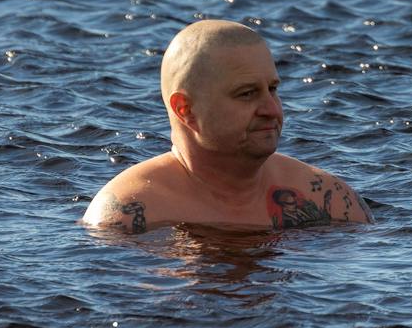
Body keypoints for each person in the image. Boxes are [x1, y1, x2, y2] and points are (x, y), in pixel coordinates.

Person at [83, 19, 372, 234]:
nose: (272, 110)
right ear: (186, 110)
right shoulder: (128, 213)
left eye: (272, 89)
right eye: (246, 94)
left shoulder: (329, 200)